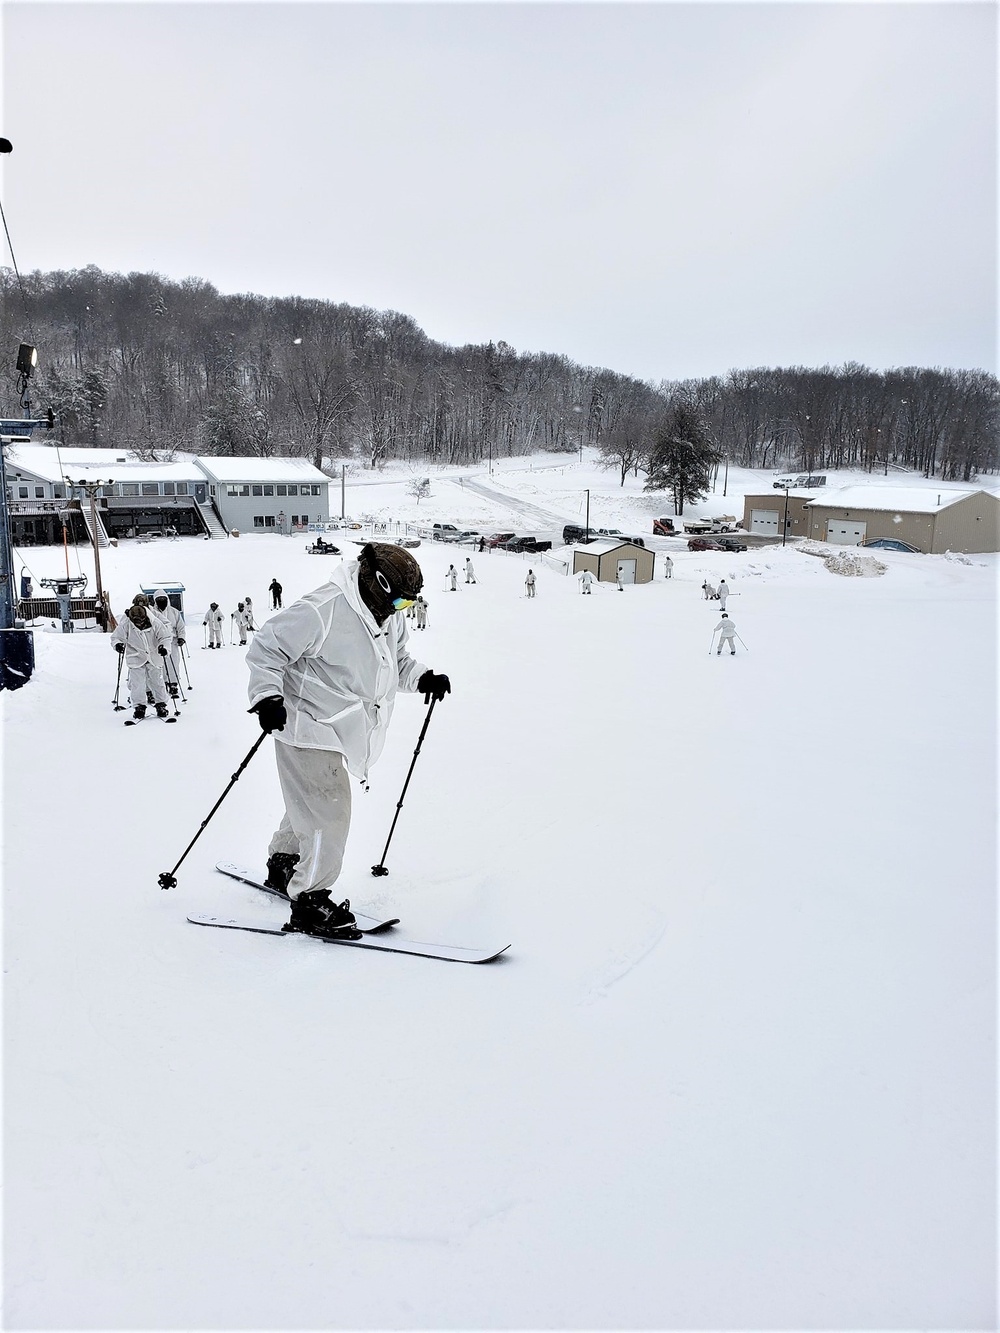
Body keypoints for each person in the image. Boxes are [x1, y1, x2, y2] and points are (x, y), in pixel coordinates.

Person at [246, 542, 451, 939]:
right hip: (304, 721)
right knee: (329, 808)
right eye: (399, 601)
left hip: (342, 725)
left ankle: (285, 860)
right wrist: (267, 697)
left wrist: (422, 676)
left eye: (408, 605)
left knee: (311, 801)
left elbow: (395, 660)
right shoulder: (322, 609)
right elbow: (266, 648)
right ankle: (310, 898)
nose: (400, 610)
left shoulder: (386, 612)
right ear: (375, 583)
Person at [111, 593, 172, 719]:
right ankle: (139, 707)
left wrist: (164, 647)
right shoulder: (127, 622)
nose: (138, 624)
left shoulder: (155, 621)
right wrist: (118, 644)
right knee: (137, 683)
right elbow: (117, 636)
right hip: (135, 656)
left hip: (154, 655)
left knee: (157, 681)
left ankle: (161, 704)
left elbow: (165, 636)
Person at [150, 588, 186, 694]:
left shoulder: (174, 612)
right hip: (157, 643)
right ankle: (163, 684)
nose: (161, 600)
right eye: (159, 599)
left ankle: (173, 684)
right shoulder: (152, 613)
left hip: (172, 642)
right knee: (160, 664)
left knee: (173, 663)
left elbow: (181, 627)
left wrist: (181, 638)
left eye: (163, 598)